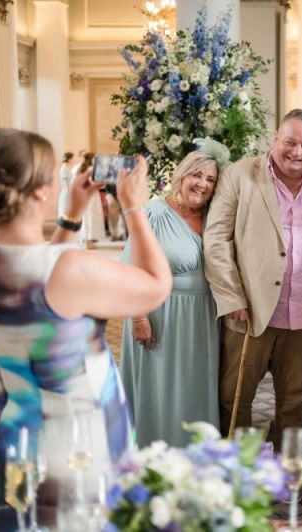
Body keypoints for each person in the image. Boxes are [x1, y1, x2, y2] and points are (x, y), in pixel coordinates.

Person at [0, 128, 172, 506]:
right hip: (70, 448)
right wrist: (134, 207)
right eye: (55, 174)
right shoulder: (69, 268)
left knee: (15, 520)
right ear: (40, 190)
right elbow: (156, 285)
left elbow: (39, 282)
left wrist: (70, 217)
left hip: (4, 429)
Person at [203, 109, 302, 449]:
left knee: (294, 402)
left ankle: (284, 468)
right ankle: (237, 467)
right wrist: (232, 296)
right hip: (249, 311)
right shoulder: (240, 175)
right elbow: (216, 239)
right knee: (235, 397)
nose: (297, 152)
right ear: (275, 139)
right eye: (290, 142)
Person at [120, 141, 229, 448]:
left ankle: (194, 454)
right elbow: (131, 269)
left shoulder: (214, 216)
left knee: (195, 386)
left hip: (202, 317)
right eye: (197, 175)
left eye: (210, 180)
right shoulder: (153, 213)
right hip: (159, 314)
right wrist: (138, 318)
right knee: (161, 388)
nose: (202, 184)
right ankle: (154, 452)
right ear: (181, 175)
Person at [57, 151, 74, 220]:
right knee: (65, 207)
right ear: (69, 159)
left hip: (68, 189)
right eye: (72, 159)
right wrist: (70, 191)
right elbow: (66, 181)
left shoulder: (67, 167)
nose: (73, 160)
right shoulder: (64, 167)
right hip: (67, 190)